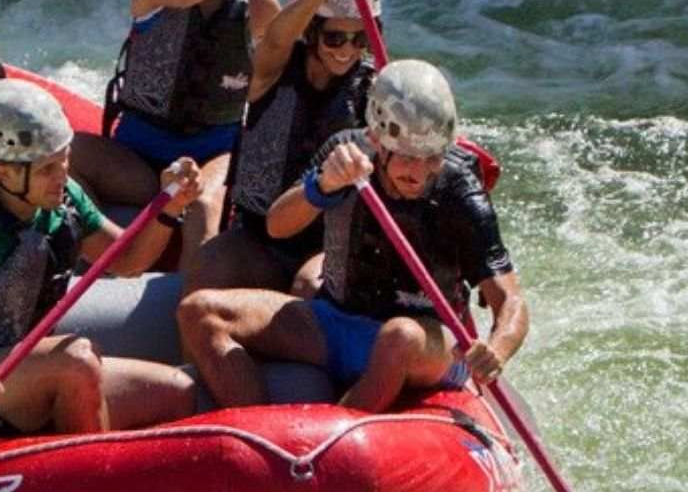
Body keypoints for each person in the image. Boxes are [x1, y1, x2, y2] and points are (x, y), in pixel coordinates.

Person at [179, 60, 529, 413]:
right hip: (337, 319)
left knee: (398, 336)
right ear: (378, 140)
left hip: (425, 343)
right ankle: (259, 429)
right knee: (200, 311)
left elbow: (510, 299)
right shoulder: (344, 153)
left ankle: (338, 432)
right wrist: (323, 186)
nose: (420, 172)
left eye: (432, 157)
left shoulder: (459, 187)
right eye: (408, 157)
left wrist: (497, 349)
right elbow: (277, 226)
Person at [0, 80, 201, 435]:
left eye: (65, 160)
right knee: (77, 359)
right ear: (5, 173)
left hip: (25, 367)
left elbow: (127, 260)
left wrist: (170, 208)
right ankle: (87, 474)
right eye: (48, 168)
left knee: (179, 392)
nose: (62, 176)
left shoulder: (64, 199)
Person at [70, 0, 297, 271]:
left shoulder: (261, 5)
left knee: (206, 203)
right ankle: (84, 266)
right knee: (60, 156)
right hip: (138, 155)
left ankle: (192, 307)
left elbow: (283, 83)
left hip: (215, 153)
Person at [187, 0, 379, 297]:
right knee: (207, 264)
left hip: (326, 248)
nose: (347, 50)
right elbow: (276, 37)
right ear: (310, 30)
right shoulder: (272, 70)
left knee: (308, 284)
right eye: (334, 37)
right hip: (259, 237)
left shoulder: (374, 90)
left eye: (360, 39)